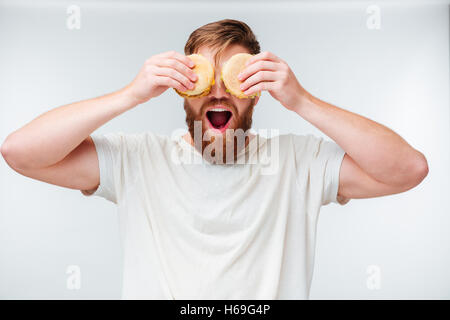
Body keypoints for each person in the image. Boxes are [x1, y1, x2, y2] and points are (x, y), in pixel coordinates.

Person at [0, 19, 428, 299]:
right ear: (182, 87)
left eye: (235, 79)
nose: (219, 92)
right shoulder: (137, 159)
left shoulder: (301, 161)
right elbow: (20, 152)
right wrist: (129, 94)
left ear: (257, 90)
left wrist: (302, 101)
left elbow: (408, 169)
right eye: (205, 78)